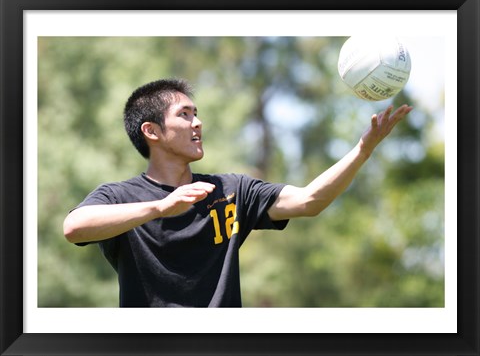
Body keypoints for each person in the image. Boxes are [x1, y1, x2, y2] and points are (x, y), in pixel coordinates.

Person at [63, 78, 413, 307]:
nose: (197, 123)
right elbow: (74, 227)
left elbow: (309, 201)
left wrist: (363, 151)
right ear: (152, 131)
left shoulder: (230, 190)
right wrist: (160, 207)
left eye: (197, 113)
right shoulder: (121, 196)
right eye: (184, 114)